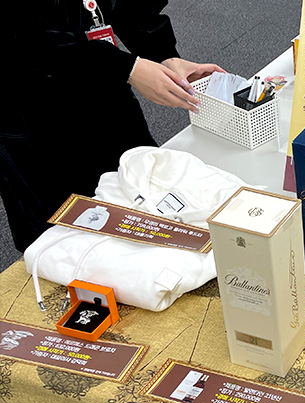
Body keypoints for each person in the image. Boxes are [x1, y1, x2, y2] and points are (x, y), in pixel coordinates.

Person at [0, 0, 224, 251]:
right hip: (32, 112)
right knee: (64, 233)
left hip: (105, 88)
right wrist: (128, 67)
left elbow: (133, 7)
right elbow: (27, 38)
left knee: (146, 195)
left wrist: (163, 55)